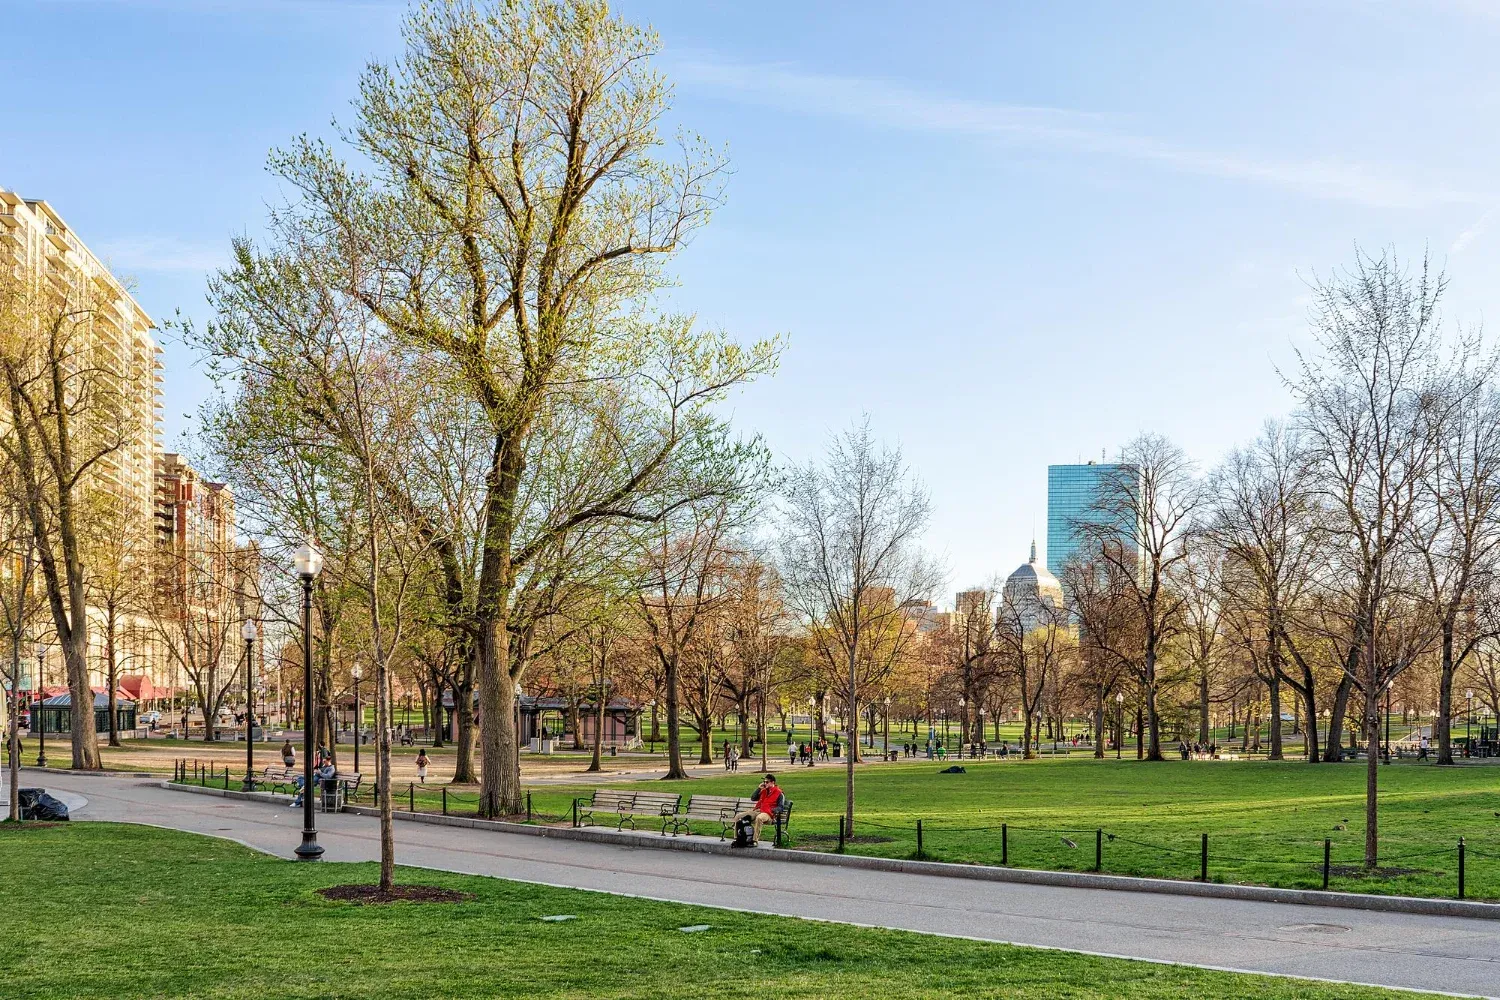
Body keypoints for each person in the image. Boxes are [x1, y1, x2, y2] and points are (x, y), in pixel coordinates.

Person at [731, 773, 784, 847]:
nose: (765, 783)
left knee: (759, 818)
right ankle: (737, 838)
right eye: (764, 782)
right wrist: (759, 788)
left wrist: (772, 810)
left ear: (773, 782)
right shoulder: (763, 791)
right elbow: (753, 798)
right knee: (738, 816)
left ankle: (754, 841)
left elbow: (781, 807)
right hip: (758, 810)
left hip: (768, 814)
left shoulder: (779, 793)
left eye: (767, 782)